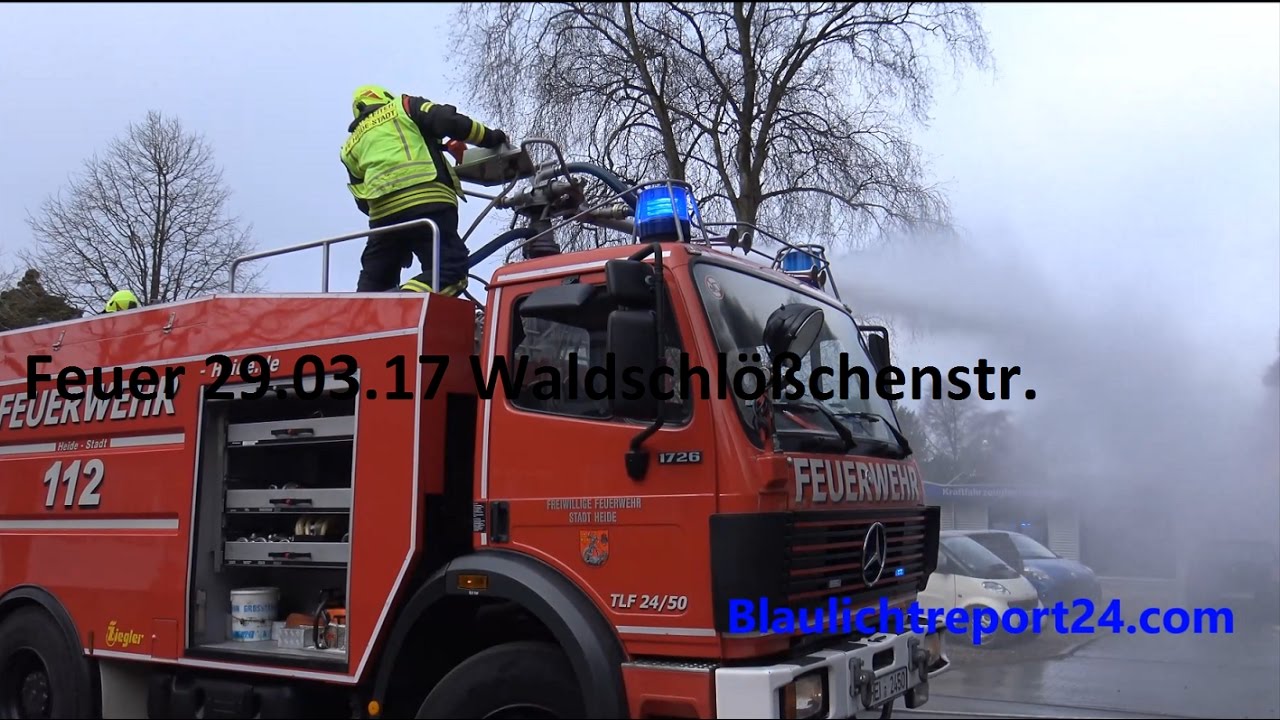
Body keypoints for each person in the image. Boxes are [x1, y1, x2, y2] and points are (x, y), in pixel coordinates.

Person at [340, 85, 509, 295]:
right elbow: (449, 120)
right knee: (450, 271)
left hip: (382, 219)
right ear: (383, 96)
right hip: (428, 202)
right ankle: (407, 305)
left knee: (374, 288)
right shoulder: (403, 106)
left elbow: (361, 197)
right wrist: (492, 138)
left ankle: (361, 322)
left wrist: (399, 229)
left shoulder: (350, 145)